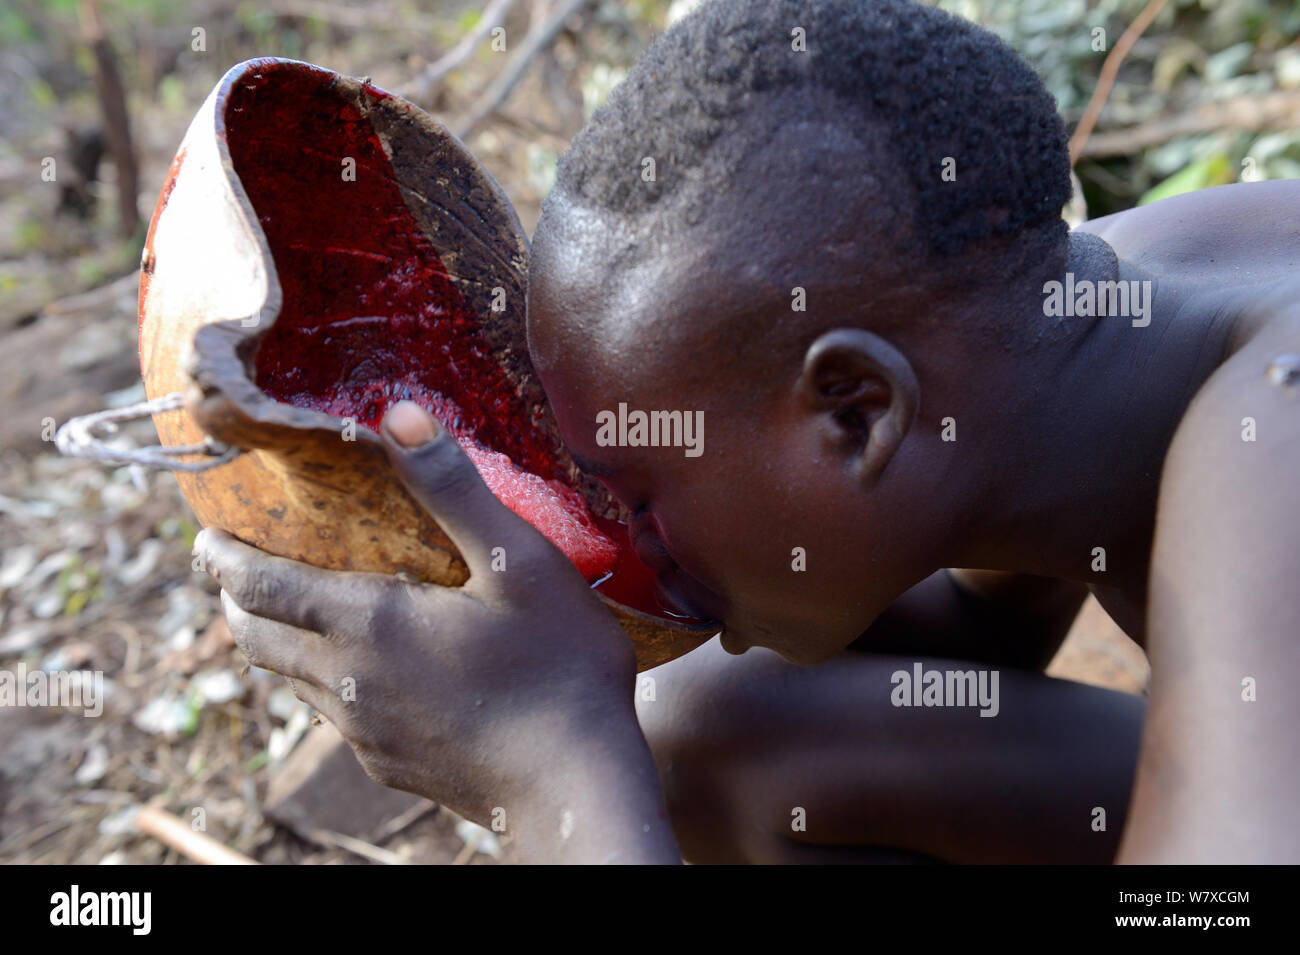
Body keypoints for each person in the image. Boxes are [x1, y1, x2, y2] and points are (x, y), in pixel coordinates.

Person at [195, 0, 1299, 863]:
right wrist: (553, 661)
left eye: (633, 493)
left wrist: (548, 771)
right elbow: (979, 624)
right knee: (708, 734)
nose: (627, 535)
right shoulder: (1053, 333)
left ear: (856, 413)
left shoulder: (1270, 445)